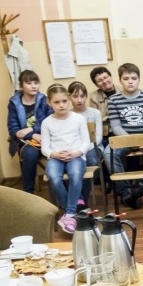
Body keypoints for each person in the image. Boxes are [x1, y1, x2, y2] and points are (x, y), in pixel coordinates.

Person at [106, 63, 143, 208]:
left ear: (139, 80)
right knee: (108, 154)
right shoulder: (113, 100)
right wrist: (131, 141)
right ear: (120, 80)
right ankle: (126, 192)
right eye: (126, 78)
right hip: (123, 140)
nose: (130, 81)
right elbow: (116, 125)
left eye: (134, 78)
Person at [40, 84, 90, 234]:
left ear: (68, 100)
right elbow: (45, 148)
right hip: (56, 157)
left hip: (76, 156)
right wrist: (54, 154)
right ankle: (72, 212)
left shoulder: (79, 119)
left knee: (75, 174)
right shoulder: (47, 122)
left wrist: (77, 153)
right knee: (54, 177)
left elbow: (86, 142)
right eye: (56, 102)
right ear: (49, 103)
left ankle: (68, 214)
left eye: (64, 101)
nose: (61, 105)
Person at [7, 70, 52, 194]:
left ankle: (61, 195)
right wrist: (33, 134)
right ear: (21, 85)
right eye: (29, 83)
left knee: (59, 155)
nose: (33, 86)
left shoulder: (45, 100)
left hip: (47, 139)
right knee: (30, 154)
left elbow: (50, 122)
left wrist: (32, 129)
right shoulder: (14, 103)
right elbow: (13, 130)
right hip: (26, 142)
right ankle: (29, 194)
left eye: (36, 82)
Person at [68, 81, 103, 205]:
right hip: (74, 148)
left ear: (86, 96)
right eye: (75, 96)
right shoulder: (67, 114)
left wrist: (84, 149)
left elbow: (98, 137)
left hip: (93, 146)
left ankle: (82, 198)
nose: (79, 100)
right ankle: (78, 199)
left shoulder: (95, 113)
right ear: (69, 97)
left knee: (92, 161)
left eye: (82, 96)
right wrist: (77, 151)